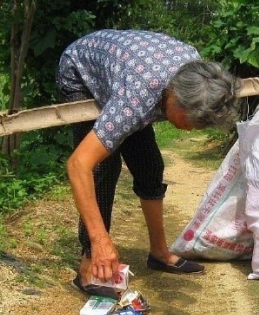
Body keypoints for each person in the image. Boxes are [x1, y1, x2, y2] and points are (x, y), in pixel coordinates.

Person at [56, 29, 240, 296]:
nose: (189, 130)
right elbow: (78, 165)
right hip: (80, 70)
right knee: (102, 168)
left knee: (150, 166)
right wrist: (100, 241)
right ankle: (89, 260)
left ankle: (159, 252)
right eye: (189, 121)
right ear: (173, 97)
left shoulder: (195, 74)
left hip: (131, 75)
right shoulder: (136, 97)